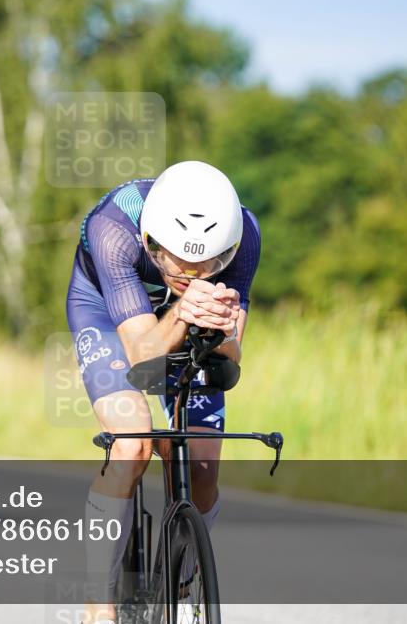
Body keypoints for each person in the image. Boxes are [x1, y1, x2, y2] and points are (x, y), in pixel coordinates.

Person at [65, 161, 261, 624]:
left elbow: (229, 361)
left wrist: (221, 326)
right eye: (178, 260)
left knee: (203, 465)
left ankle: (179, 582)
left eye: (209, 264)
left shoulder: (245, 234)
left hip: (181, 318)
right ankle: (99, 606)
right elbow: (143, 358)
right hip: (107, 312)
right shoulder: (112, 229)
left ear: (228, 249)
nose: (192, 272)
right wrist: (182, 311)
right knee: (132, 444)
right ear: (151, 241)